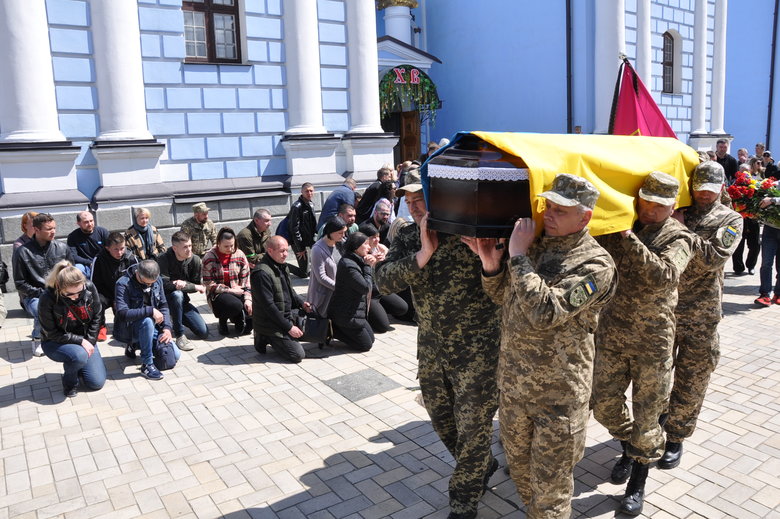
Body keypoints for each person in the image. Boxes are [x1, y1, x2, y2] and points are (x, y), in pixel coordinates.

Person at [465, 173, 617, 519]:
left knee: (550, 496)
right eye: (548, 205)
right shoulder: (534, 245)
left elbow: (546, 313)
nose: (549, 213)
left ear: (585, 217)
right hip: (516, 390)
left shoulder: (596, 264)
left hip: (558, 400)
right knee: (522, 478)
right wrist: (491, 265)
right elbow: (505, 297)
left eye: (561, 210)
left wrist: (517, 258)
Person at [375, 173, 500, 519]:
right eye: (409, 200)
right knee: (444, 422)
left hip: (478, 352)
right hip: (431, 351)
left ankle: (463, 502)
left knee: (473, 428)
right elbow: (382, 281)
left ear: (439, 196)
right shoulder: (410, 237)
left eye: (421, 198)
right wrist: (423, 255)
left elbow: (503, 281)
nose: (414, 207)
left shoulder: (470, 233)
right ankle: (482, 465)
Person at [592, 171, 694, 516]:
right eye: (645, 202)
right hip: (612, 333)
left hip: (653, 340)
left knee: (649, 414)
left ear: (673, 206)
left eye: (658, 205)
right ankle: (629, 446)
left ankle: (637, 480)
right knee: (603, 404)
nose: (649, 210)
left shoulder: (680, 236)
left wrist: (628, 237)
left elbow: (664, 276)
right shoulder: (619, 226)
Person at [659, 162, 742, 469]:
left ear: (721, 187)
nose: (704, 195)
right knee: (656, 377)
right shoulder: (678, 210)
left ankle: (676, 437)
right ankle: (654, 427)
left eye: (710, 189)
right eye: (699, 189)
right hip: (666, 309)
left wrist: (678, 229)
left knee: (691, 379)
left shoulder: (730, 219)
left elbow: (711, 258)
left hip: (702, 314)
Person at [39, 261, 106, 397]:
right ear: (59, 287)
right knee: (79, 356)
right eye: (70, 294)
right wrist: (81, 341)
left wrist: (90, 340)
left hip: (86, 338)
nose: (76, 297)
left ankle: (78, 364)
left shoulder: (89, 287)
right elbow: (51, 333)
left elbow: (97, 316)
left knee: (96, 383)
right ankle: (70, 382)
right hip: (56, 341)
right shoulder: (47, 298)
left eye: (79, 292)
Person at [13, 213, 74, 357]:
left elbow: (72, 272)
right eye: (48, 229)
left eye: (54, 228)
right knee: (42, 308)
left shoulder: (62, 248)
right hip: (34, 296)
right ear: (36, 230)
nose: (53, 231)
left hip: (62, 291)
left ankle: (64, 336)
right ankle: (37, 338)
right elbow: (20, 283)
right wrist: (43, 294)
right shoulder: (22, 252)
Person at [114, 260, 180, 380]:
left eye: (152, 283)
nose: (149, 286)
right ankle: (147, 364)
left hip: (152, 328)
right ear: (138, 273)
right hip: (130, 328)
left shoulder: (157, 280)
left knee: (174, 355)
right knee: (147, 321)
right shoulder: (123, 284)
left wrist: (166, 328)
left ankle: (136, 345)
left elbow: (163, 305)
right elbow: (122, 313)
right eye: (146, 283)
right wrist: (150, 311)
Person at [251, 236, 312, 363]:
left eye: (286, 250)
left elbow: (290, 291)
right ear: (270, 251)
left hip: (286, 314)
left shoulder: (283, 266)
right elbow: (268, 306)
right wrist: (289, 327)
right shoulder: (261, 274)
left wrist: (302, 304)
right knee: (297, 355)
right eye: (282, 251)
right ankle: (264, 336)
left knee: (315, 330)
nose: (285, 254)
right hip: (270, 322)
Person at [157, 231, 209, 351]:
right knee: (177, 294)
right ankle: (180, 335)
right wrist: (180, 286)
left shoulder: (195, 260)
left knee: (203, 332)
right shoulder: (163, 259)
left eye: (190, 245)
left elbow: (195, 286)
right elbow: (163, 285)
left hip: (182, 303)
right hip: (164, 303)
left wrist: (184, 284)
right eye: (185, 247)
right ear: (175, 248)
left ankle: (176, 318)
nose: (189, 249)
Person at [328, 232, 376, 352]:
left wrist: (374, 264)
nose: (369, 247)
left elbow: (371, 284)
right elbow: (365, 288)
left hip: (355, 310)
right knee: (365, 345)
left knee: (371, 339)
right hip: (344, 313)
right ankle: (333, 330)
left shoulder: (358, 259)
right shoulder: (348, 265)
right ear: (356, 247)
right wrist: (368, 266)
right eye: (366, 244)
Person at [202, 227, 253, 335]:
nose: (230, 249)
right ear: (218, 243)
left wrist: (248, 299)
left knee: (248, 327)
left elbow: (246, 279)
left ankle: (238, 315)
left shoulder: (240, 255)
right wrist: (230, 290)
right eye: (226, 246)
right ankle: (223, 320)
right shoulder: (209, 257)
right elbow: (208, 284)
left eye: (232, 245)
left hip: (239, 291)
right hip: (218, 294)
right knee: (234, 305)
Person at [359, 223, 408, 333]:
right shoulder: (359, 252)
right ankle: (370, 314)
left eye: (378, 236)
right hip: (369, 295)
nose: (377, 240)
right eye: (373, 237)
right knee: (383, 328)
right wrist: (372, 263)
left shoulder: (380, 249)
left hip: (380, 289)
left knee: (402, 308)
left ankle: (380, 310)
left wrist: (386, 257)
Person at [90, 232, 138, 341]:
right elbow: (94, 285)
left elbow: (137, 282)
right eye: (116, 249)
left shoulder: (131, 258)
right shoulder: (99, 259)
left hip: (124, 293)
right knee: (97, 301)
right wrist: (112, 299)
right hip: (106, 293)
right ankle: (101, 326)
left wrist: (120, 298)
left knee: (123, 328)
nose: (120, 252)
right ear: (107, 248)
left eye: (122, 248)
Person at [307, 217, 346, 317]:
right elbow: (321, 277)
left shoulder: (341, 243)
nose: (343, 236)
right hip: (323, 296)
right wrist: (339, 288)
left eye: (344, 232)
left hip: (337, 294)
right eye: (340, 233)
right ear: (331, 232)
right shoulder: (317, 249)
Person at [732, 159, 763, 275]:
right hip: (739, 219)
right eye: (742, 171)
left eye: (747, 171)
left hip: (752, 218)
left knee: (755, 244)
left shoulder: (755, 185)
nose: (744, 174)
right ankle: (738, 267)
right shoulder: (734, 185)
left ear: (751, 172)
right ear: (738, 172)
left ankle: (751, 265)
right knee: (738, 244)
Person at [755, 183, 780, 306]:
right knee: (766, 263)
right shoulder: (774, 185)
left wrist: (773, 200)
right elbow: (761, 197)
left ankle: (778, 293)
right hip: (770, 229)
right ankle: (765, 294)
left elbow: (770, 200)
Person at [287, 183, 317, 278]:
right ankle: (282, 265)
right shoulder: (297, 206)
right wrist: (301, 248)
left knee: (311, 267)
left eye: (311, 191)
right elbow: (294, 228)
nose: (309, 193)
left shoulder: (311, 204)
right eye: (306, 191)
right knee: (304, 273)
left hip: (309, 240)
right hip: (298, 242)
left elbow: (312, 225)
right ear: (301, 192)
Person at [67, 211, 109, 277]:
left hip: (102, 263)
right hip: (85, 265)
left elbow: (110, 249)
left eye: (91, 221)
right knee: (77, 268)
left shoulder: (102, 232)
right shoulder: (73, 236)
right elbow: (73, 256)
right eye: (86, 222)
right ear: (78, 223)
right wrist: (89, 263)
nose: (90, 224)